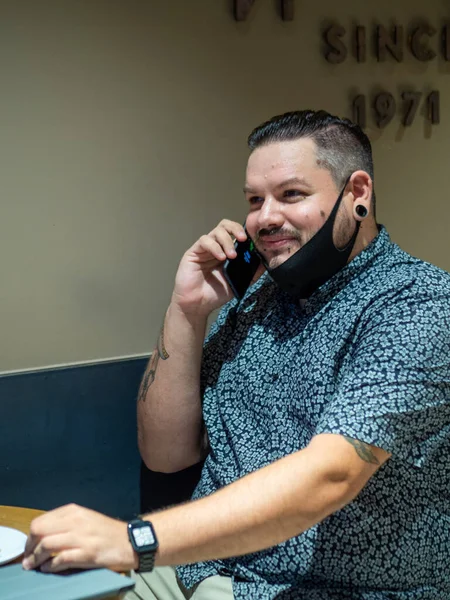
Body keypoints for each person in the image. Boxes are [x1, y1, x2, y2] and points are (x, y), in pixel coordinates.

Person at [23, 110, 450, 599]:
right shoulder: (253, 299)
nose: (265, 217)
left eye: (291, 194)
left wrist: (134, 540)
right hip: (195, 570)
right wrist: (187, 311)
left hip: (325, 590)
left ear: (357, 193)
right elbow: (166, 456)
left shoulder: (419, 305)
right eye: (254, 199)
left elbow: (332, 473)